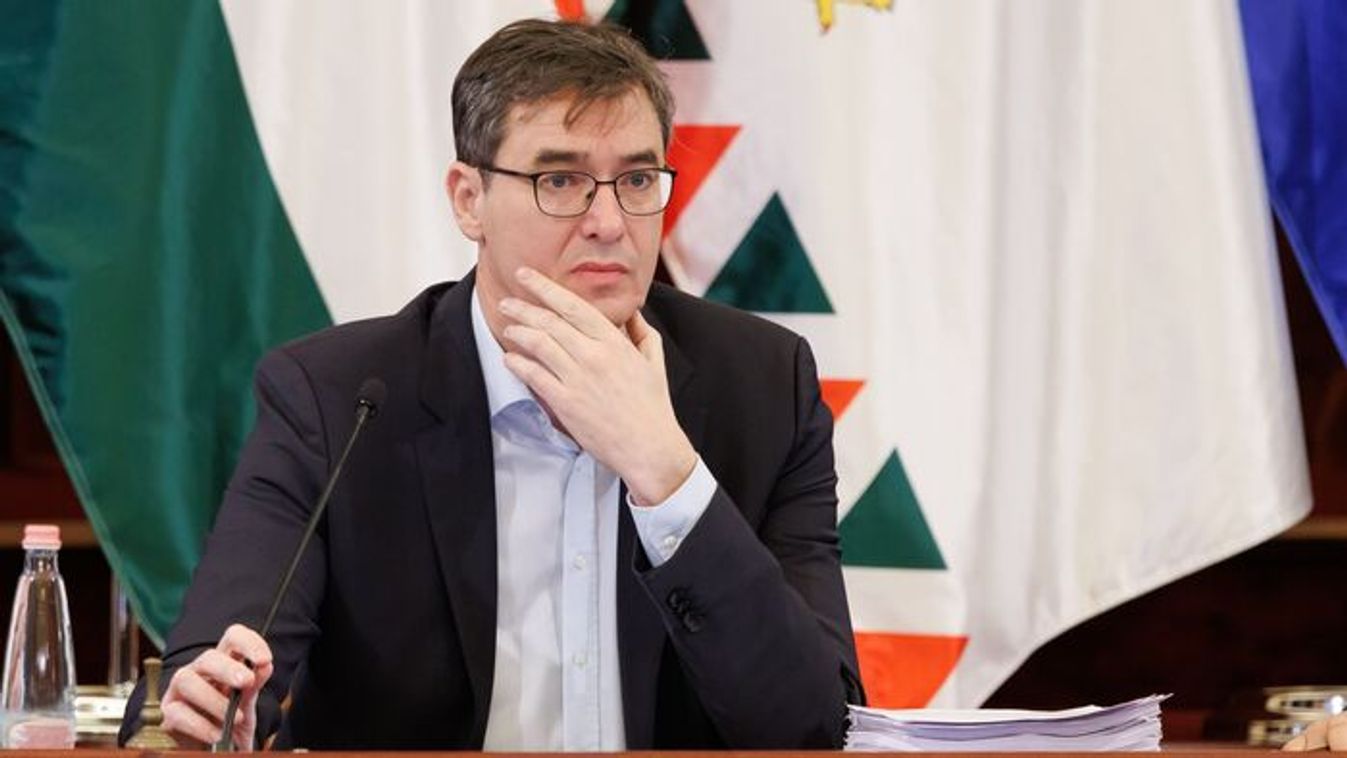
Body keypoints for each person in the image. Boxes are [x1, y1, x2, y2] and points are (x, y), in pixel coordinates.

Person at [117, 18, 863, 751]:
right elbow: (203, 679)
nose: (609, 222)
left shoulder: (765, 388)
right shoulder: (339, 400)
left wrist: (666, 473)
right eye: (560, 180)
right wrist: (211, 713)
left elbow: (812, 729)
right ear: (468, 199)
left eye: (637, 179)